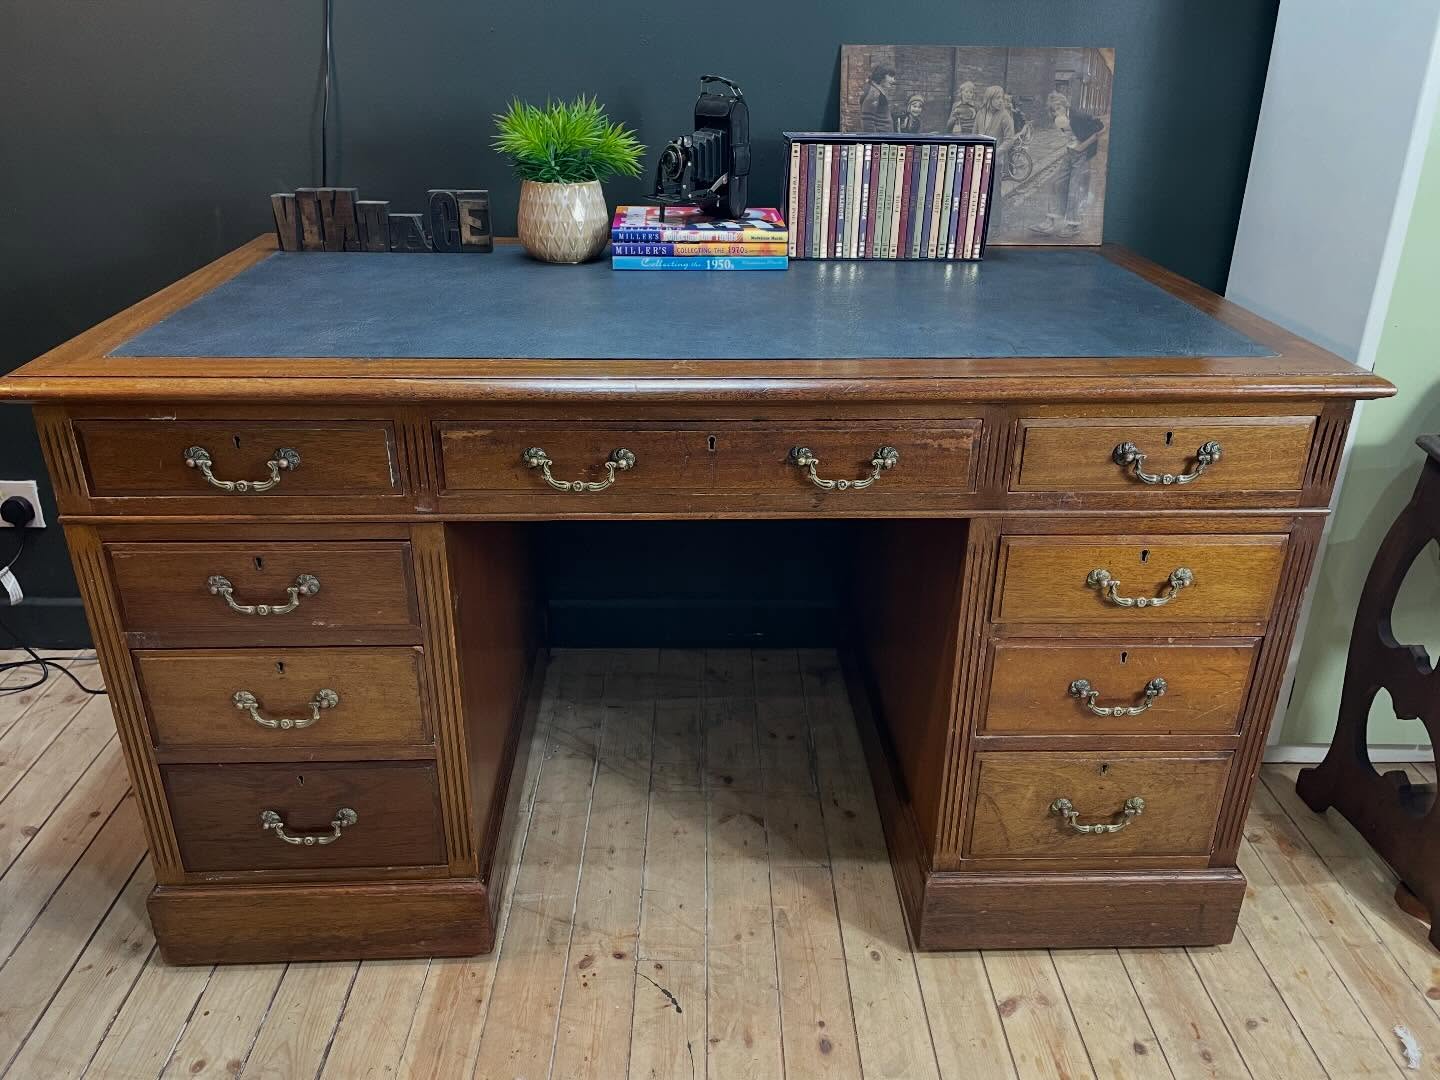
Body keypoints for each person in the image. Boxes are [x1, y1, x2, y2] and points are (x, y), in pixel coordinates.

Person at [1033, 91, 1105, 236]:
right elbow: (1070, 135)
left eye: (1058, 107)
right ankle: (1050, 220)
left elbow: (1101, 128)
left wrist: (1082, 147)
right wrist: (1072, 146)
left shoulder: (1078, 116)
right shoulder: (1058, 119)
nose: (1056, 111)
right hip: (1069, 153)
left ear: (1065, 104)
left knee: (1075, 188)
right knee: (1057, 183)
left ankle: (1073, 225)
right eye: (1053, 109)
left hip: (1082, 154)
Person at [860, 66, 898, 133]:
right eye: (891, 76)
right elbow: (867, 121)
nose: (893, 80)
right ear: (881, 74)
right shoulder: (874, 93)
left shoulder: (877, 91)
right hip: (880, 138)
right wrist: (874, 139)